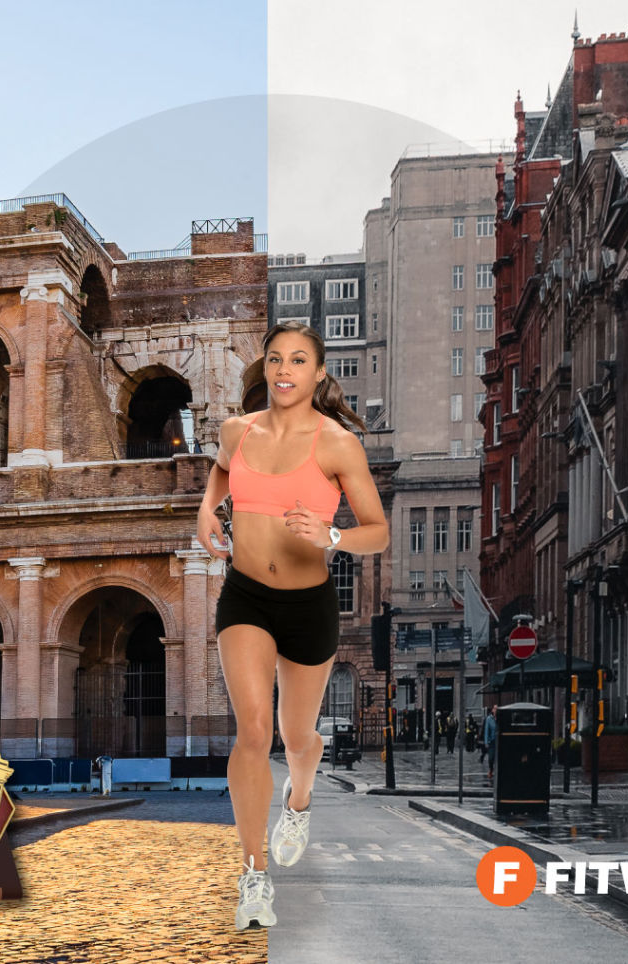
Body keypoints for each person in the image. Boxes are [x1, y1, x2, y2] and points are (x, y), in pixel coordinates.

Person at [196, 321, 389, 931]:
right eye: (276, 359)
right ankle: (254, 876)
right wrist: (207, 514)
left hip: (310, 602)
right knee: (253, 732)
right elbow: (220, 479)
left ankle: (299, 796)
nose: (285, 370)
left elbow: (377, 530)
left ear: (318, 373)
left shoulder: (336, 444)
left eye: (299, 360)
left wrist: (332, 535)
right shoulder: (237, 431)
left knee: (296, 735)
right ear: (267, 368)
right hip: (245, 596)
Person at [483, 705, 498, 780]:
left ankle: (497, 771)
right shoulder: (489, 719)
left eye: (497, 709)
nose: (496, 710)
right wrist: (486, 742)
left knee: (498, 758)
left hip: (498, 741)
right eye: (495, 709)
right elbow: (486, 731)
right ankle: (491, 770)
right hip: (491, 741)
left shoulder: (499, 719)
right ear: (492, 710)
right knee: (491, 758)